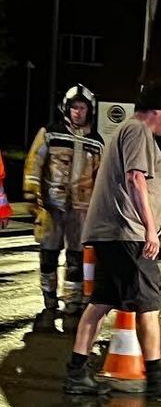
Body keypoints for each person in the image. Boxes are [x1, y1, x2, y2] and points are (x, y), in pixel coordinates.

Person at [63, 82, 161, 398]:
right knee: (148, 304)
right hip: (126, 233)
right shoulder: (137, 131)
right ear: (158, 112)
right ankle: (157, 377)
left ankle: (77, 373)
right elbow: (136, 180)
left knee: (100, 303)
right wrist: (150, 229)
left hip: (114, 233)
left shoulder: (128, 131)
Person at [23, 85, 104, 319]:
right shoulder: (51, 132)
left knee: (76, 258)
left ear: (90, 111)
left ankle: (72, 301)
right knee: (48, 253)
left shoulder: (96, 142)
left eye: (83, 108)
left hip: (81, 209)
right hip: (51, 206)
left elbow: (100, 176)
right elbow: (34, 162)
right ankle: (48, 296)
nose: (78, 112)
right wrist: (31, 194)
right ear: (66, 109)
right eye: (75, 108)